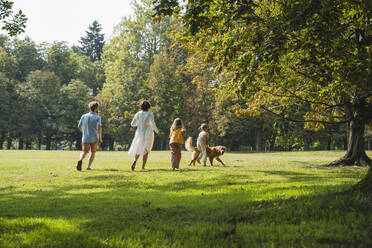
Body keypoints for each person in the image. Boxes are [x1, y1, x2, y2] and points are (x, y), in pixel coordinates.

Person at [128, 100, 160, 170]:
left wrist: (139, 124)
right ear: (148, 107)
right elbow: (152, 123)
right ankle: (143, 167)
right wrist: (157, 132)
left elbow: (132, 124)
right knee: (146, 149)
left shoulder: (138, 114)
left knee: (138, 148)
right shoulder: (150, 114)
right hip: (148, 132)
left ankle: (135, 161)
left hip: (139, 132)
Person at [77, 101, 102, 171]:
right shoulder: (97, 117)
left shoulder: (83, 116)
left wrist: (83, 132)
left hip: (85, 137)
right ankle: (88, 167)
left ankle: (80, 159)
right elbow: (99, 127)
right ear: (96, 108)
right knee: (93, 152)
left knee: (84, 151)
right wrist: (100, 138)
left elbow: (79, 126)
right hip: (94, 136)